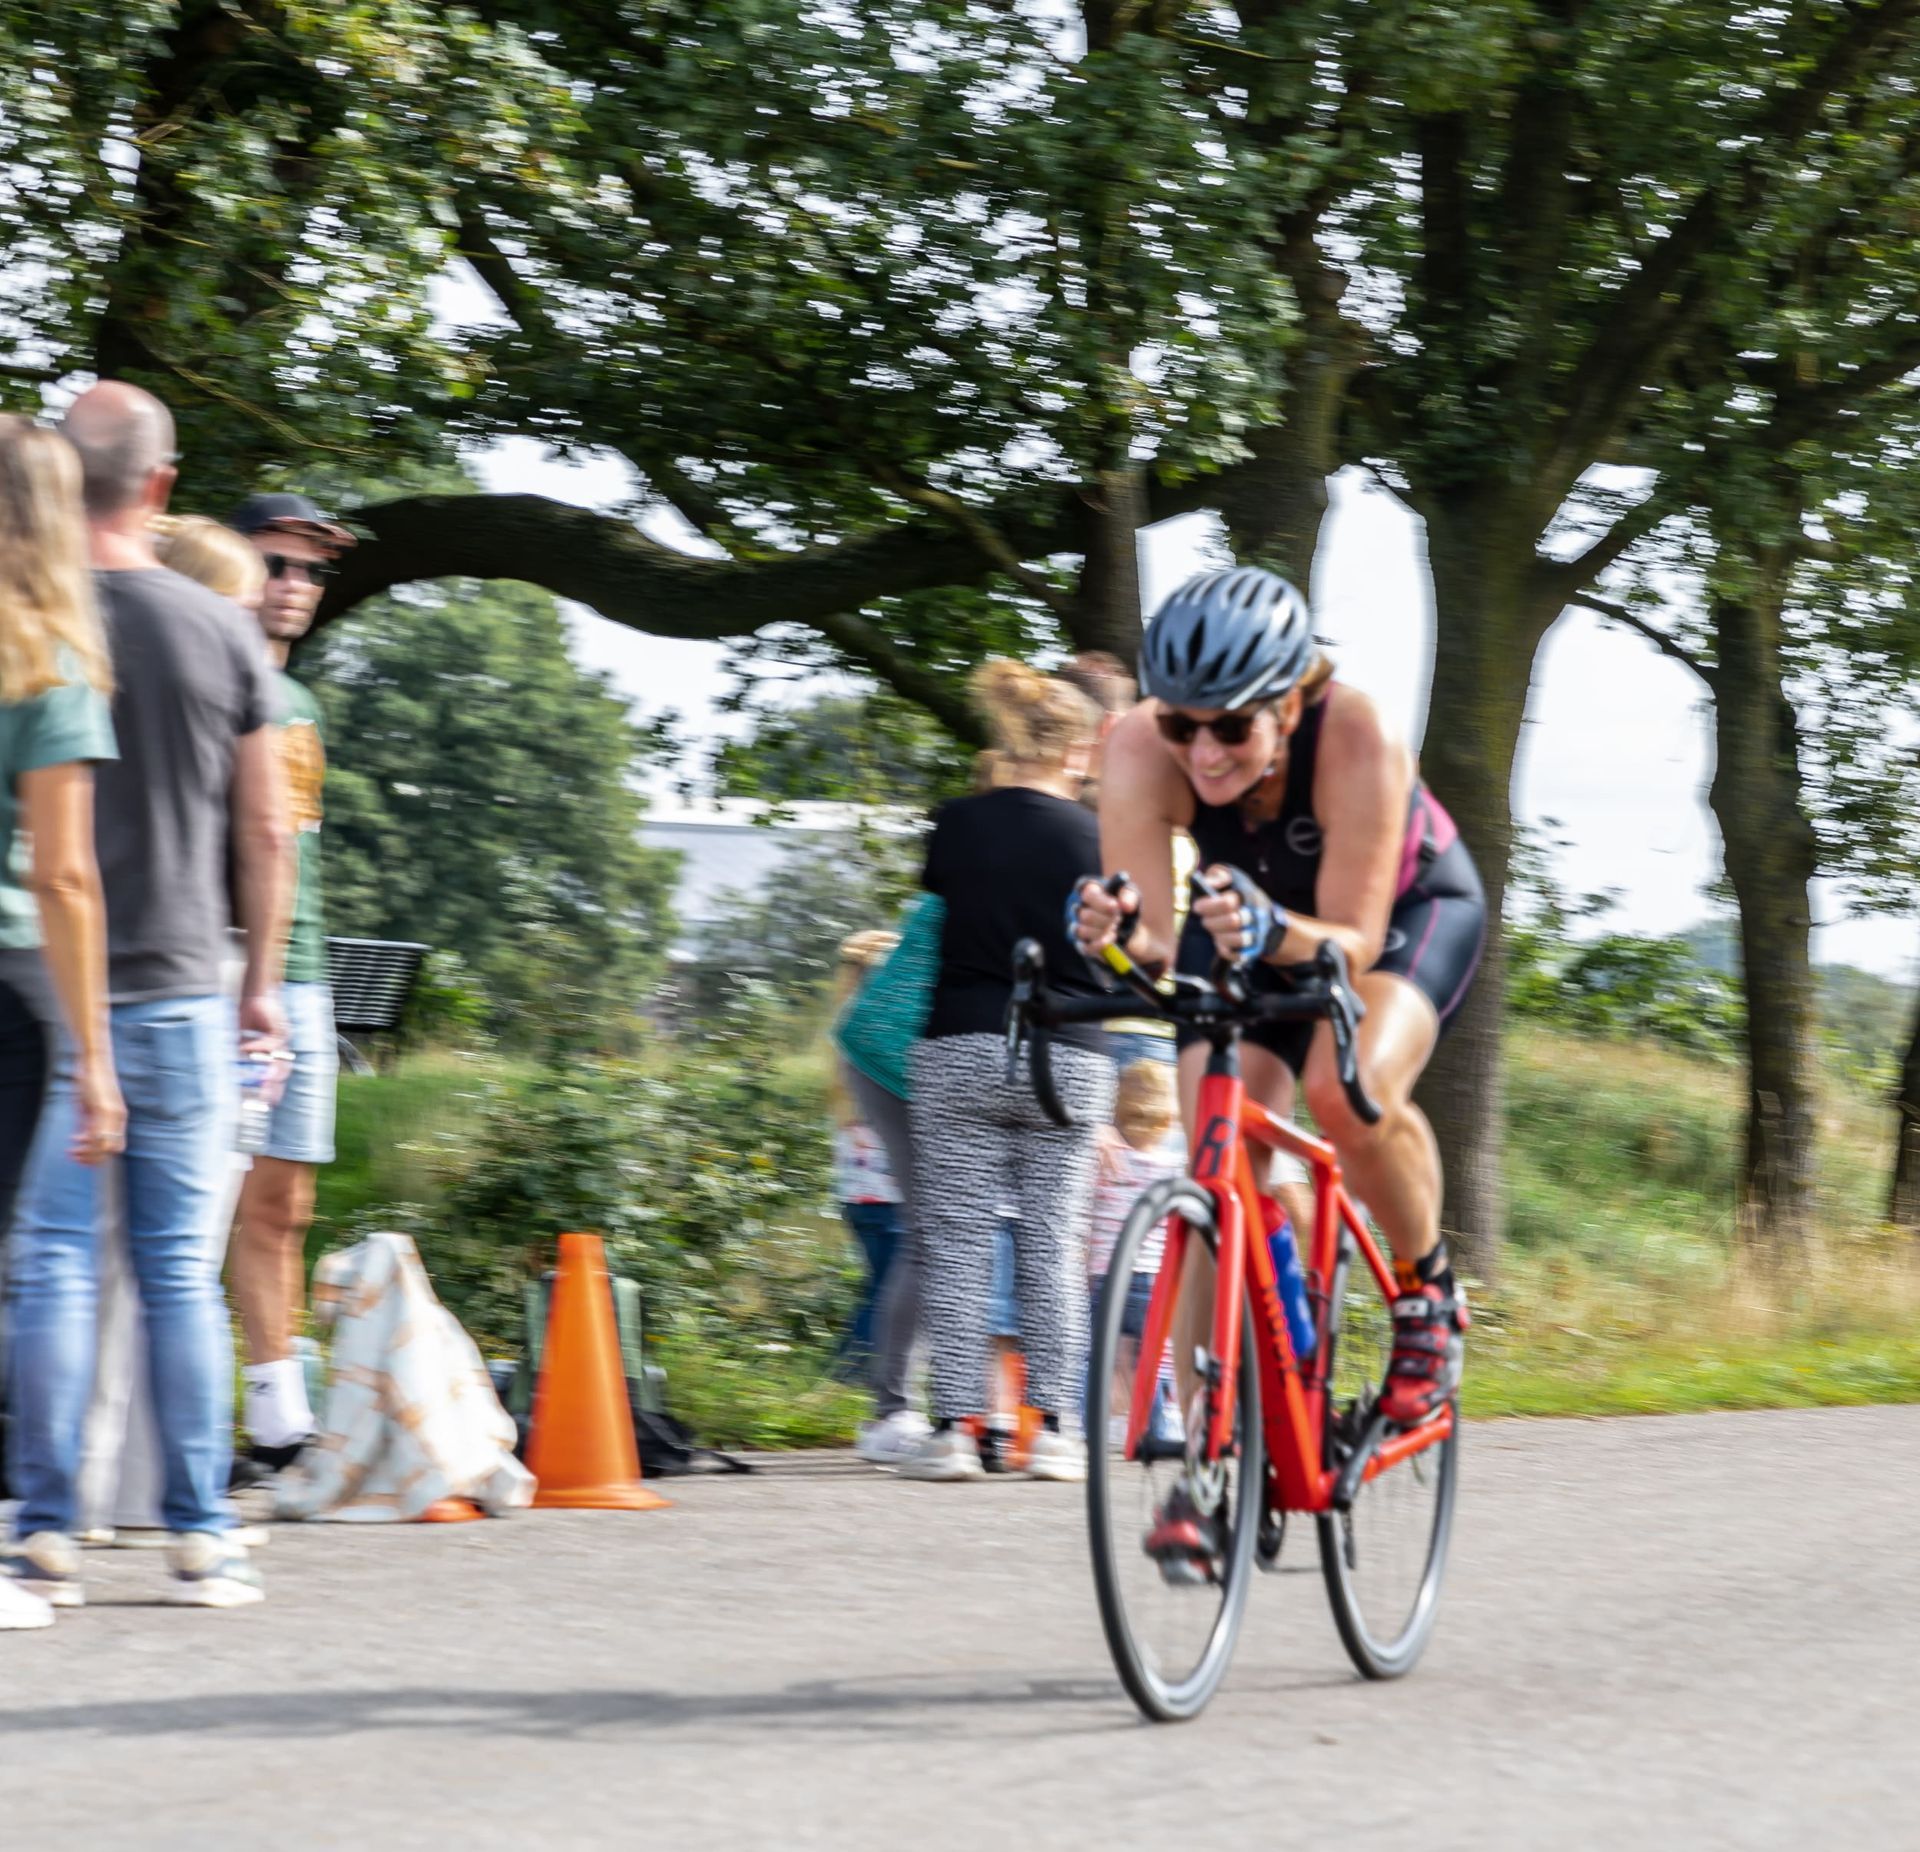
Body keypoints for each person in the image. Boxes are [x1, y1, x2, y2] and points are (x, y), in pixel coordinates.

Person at [1069, 565, 1484, 1559]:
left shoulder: (1356, 733)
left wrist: (1269, 929)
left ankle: (1428, 1295)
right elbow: (1156, 946)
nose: (1204, 751)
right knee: (1215, 1165)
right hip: (1239, 923)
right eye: (1183, 725)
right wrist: (1112, 935)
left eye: (1231, 726)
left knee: (1347, 1088)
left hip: (1394, 921)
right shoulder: (1140, 745)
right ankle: (1212, 1459)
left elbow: (1352, 939)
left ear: (1290, 704)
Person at [4, 382, 289, 1612]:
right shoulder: (222, 626)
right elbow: (267, 829)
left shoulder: (35, 620)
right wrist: (262, 984)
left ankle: (44, 1531)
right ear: (162, 486)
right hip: (182, 984)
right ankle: (203, 1534)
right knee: (178, 1269)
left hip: (52, 986)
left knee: (57, 1262)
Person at [901, 659, 1115, 1484]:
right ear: (1075, 749)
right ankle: (1053, 1431)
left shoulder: (956, 824)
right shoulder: (1097, 837)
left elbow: (940, 906)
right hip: (1069, 1053)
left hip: (961, 1043)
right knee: (1054, 1244)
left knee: (957, 1242)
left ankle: (956, 1430)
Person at [0, 416, 125, 1631]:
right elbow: (65, 873)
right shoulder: (42, 657)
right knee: (27, 1257)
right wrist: (94, 1052)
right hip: (12, 983)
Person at [224, 491, 353, 1477]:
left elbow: (290, 846)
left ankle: (279, 1413)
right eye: (277, 563)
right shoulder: (200, 679)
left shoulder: (297, 699)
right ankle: (221, 1417)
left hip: (301, 971)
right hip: (227, 969)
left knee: (285, 1205)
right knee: (212, 1204)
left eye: (311, 569)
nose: (296, 585)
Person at [1084, 1059, 1184, 1450]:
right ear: (1168, 1118)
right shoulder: (1173, 1170)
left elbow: (1089, 1215)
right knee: (1150, 1357)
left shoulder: (1105, 1161)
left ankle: (1089, 1427)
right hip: (1151, 1279)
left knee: (1100, 1355)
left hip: (1104, 1276)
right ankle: (1153, 1427)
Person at [830, 931, 906, 1371]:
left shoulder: (848, 1027)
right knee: (887, 1294)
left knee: (879, 1287)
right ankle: (854, 1375)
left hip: (859, 1194)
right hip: (890, 1192)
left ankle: (852, 1374)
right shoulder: (887, 1035)